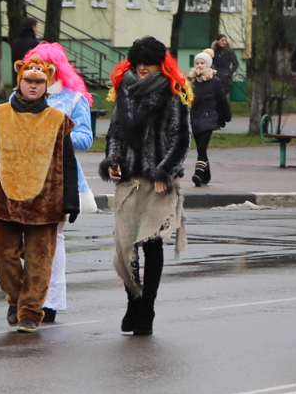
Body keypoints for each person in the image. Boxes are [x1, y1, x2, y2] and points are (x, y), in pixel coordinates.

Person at [0, 58, 80, 332]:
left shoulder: (58, 120)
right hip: (3, 200)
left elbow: (67, 163)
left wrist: (70, 201)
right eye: (29, 81)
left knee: (39, 262)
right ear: (19, 81)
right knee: (1, 255)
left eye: (39, 82)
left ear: (47, 85)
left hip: (45, 203)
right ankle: (16, 298)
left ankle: (30, 312)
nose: (33, 86)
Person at [99, 36, 191, 336]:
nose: (141, 68)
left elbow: (181, 139)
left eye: (148, 63)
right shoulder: (124, 89)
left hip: (158, 182)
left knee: (151, 243)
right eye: (138, 62)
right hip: (128, 180)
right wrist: (113, 158)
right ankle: (133, 300)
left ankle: (147, 308)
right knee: (124, 245)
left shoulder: (173, 93)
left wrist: (166, 172)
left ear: (159, 64)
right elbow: (114, 132)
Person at [24, 42, 97, 324]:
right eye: (31, 66)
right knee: (26, 239)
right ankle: (29, 299)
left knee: (53, 239)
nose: (36, 72)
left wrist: (54, 136)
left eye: (42, 65)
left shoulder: (73, 99)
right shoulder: (20, 97)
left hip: (59, 177)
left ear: (56, 68)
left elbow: (86, 139)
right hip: (25, 177)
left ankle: (51, 302)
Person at [189, 49, 232, 187]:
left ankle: (198, 173)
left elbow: (222, 100)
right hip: (194, 119)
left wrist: (226, 116)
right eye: (197, 63)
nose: (199, 65)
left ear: (207, 64)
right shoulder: (191, 81)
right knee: (201, 149)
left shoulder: (215, 81)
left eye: (202, 63)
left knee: (202, 148)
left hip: (208, 119)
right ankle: (206, 176)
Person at [10, 17, 39, 88]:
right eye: (36, 27)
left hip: (17, 75)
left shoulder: (15, 42)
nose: (37, 31)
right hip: (30, 76)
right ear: (32, 27)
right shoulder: (34, 43)